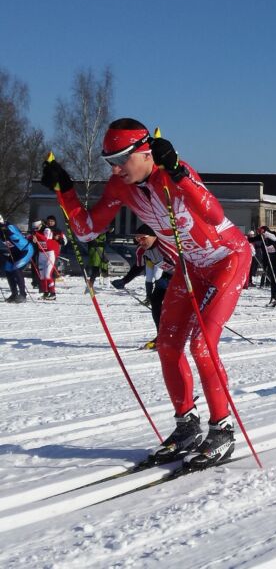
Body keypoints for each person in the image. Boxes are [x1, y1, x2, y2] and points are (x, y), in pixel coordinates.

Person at [40, 117, 252, 469]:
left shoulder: (175, 171)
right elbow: (87, 230)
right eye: (110, 161)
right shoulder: (119, 186)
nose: (117, 168)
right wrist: (66, 190)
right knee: (167, 345)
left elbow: (214, 216)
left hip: (227, 258)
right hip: (190, 268)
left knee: (201, 345)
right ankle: (186, 426)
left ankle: (222, 428)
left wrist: (178, 173)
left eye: (122, 159)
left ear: (144, 151)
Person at [111, 224, 176, 349]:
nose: (140, 241)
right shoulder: (141, 250)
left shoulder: (167, 246)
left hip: (189, 275)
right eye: (137, 239)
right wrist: (124, 280)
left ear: (154, 236)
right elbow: (138, 266)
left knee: (178, 305)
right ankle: (161, 335)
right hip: (169, 275)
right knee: (155, 299)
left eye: (143, 238)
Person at [1, 214, 33, 303]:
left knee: (16, 268)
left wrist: (7, 232)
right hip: (14, 253)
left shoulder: (9, 226)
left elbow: (17, 236)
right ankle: (14, 294)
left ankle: (23, 295)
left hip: (25, 250)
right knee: (7, 269)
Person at [30, 220, 60, 300]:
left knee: (47, 275)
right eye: (34, 229)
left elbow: (45, 239)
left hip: (50, 253)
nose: (35, 230)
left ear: (40, 225)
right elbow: (33, 240)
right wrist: (30, 237)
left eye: (36, 228)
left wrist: (36, 234)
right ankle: (45, 293)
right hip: (41, 254)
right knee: (42, 276)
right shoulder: (36, 232)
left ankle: (53, 294)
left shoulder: (47, 230)